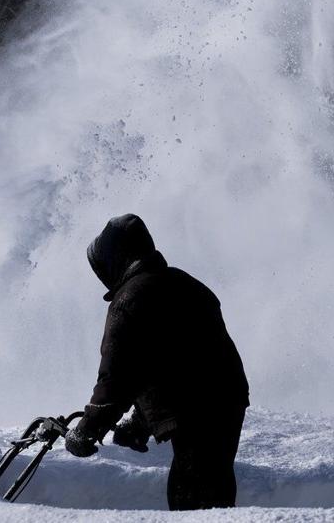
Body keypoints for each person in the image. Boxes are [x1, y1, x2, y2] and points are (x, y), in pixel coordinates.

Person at [63, 214, 250, 510]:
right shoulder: (187, 283)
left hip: (195, 409)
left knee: (192, 500)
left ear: (116, 258)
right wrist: (142, 422)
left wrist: (88, 429)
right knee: (213, 489)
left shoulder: (129, 299)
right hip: (228, 399)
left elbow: (117, 377)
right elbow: (173, 361)